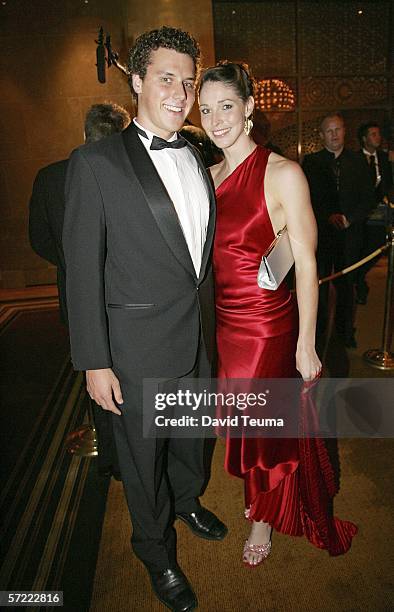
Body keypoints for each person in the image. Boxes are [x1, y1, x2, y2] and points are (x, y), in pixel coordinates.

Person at [63, 27, 226, 612]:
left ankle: (187, 500)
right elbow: (81, 272)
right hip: (132, 349)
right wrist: (94, 361)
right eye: (166, 79)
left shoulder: (197, 155)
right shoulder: (95, 163)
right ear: (136, 81)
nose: (181, 93)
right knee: (140, 459)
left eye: (189, 82)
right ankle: (154, 550)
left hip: (194, 338)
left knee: (190, 440)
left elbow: (194, 258)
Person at [199, 62, 357, 567]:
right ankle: (262, 496)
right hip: (223, 324)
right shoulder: (206, 176)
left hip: (268, 327)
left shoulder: (283, 172)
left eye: (226, 106)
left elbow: (307, 263)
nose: (216, 119)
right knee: (244, 422)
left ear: (248, 108)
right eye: (205, 109)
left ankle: (262, 518)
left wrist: (305, 343)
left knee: (263, 428)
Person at [29, 102, 131, 480]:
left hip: (76, 295)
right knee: (130, 373)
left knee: (93, 373)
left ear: (83, 133)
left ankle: (109, 454)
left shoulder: (50, 176)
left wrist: (73, 266)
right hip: (127, 296)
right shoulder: (127, 173)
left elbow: (38, 240)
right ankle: (134, 449)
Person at [302, 113, 374, 349]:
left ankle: (344, 333)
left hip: (351, 235)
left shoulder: (358, 161)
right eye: (329, 131)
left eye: (338, 129)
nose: (334, 135)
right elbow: (307, 199)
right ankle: (317, 333)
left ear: (345, 131)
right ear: (321, 135)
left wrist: (349, 219)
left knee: (347, 286)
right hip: (322, 235)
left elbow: (368, 198)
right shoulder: (311, 163)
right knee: (319, 286)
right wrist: (326, 217)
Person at [355, 121, 393, 304]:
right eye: (373, 134)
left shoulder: (385, 158)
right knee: (360, 249)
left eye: (378, 134)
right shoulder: (354, 159)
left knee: (376, 248)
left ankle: (359, 278)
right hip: (360, 214)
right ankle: (358, 284)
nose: (378, 138)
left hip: (379, 213)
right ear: (364, 139)